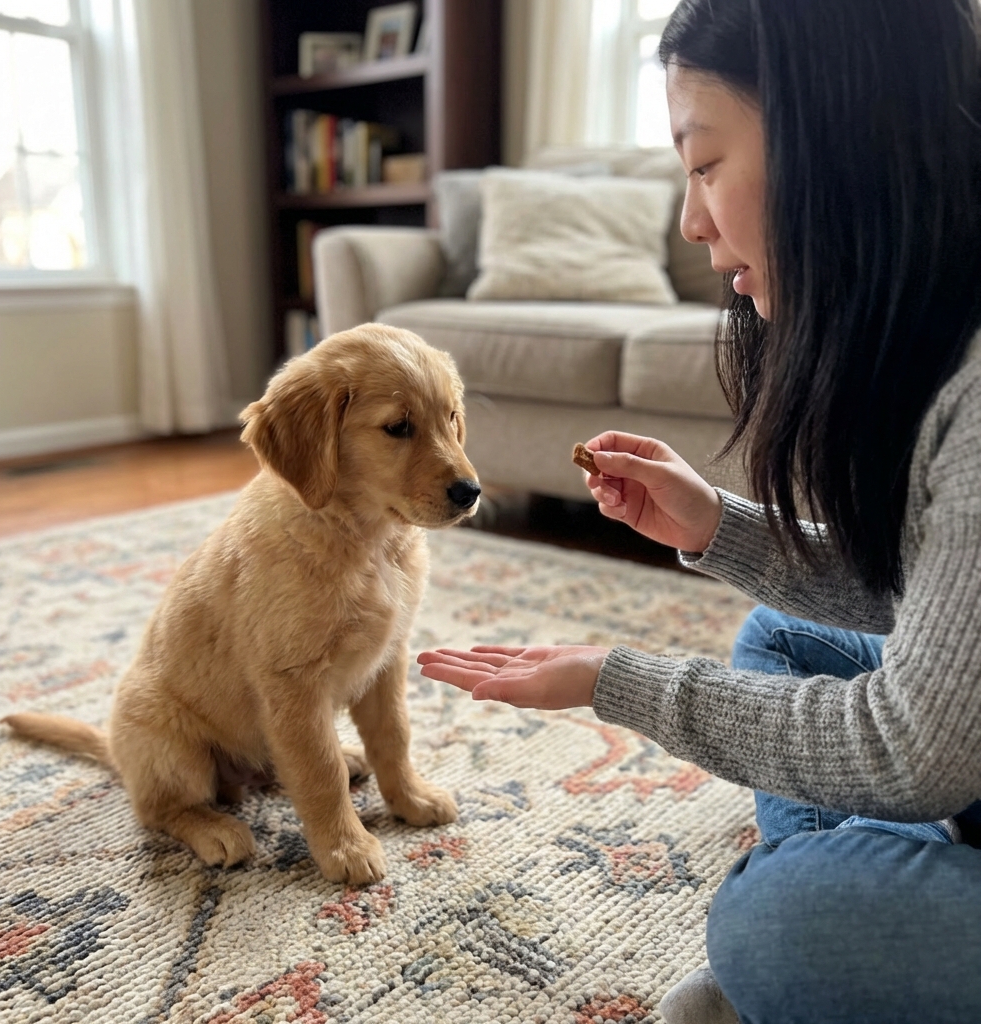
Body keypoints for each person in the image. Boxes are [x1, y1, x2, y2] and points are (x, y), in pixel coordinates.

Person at [417, 1, 981, 1021]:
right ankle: (877, 892)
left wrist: (610, 678)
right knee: (779, 633)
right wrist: (717, 526)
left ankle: (840, 911)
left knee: (772, 925)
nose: (689, 220)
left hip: (946, 760)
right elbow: (928, 604)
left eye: (705, 162)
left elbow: (914, 746)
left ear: (836, 138)